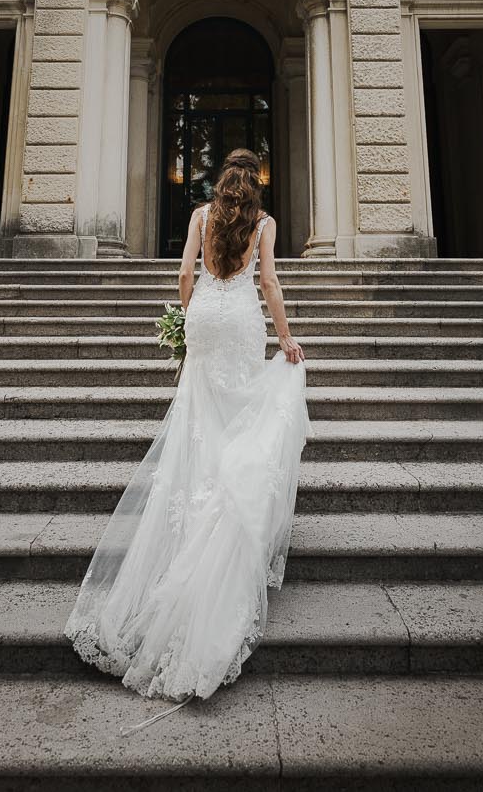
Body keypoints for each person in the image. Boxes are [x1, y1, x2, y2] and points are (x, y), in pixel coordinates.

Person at [63, 147, 312, 704]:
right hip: (241, 319)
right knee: (240, 410)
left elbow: (183, 274)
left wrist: (187, 321)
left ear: (222, 179)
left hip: (203, 317)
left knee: (197, 419)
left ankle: (193, 509)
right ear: (255, 182)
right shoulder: (264, 224)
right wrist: (286, 337)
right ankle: (226, 500)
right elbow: (269, 284)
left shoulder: (201, 216)